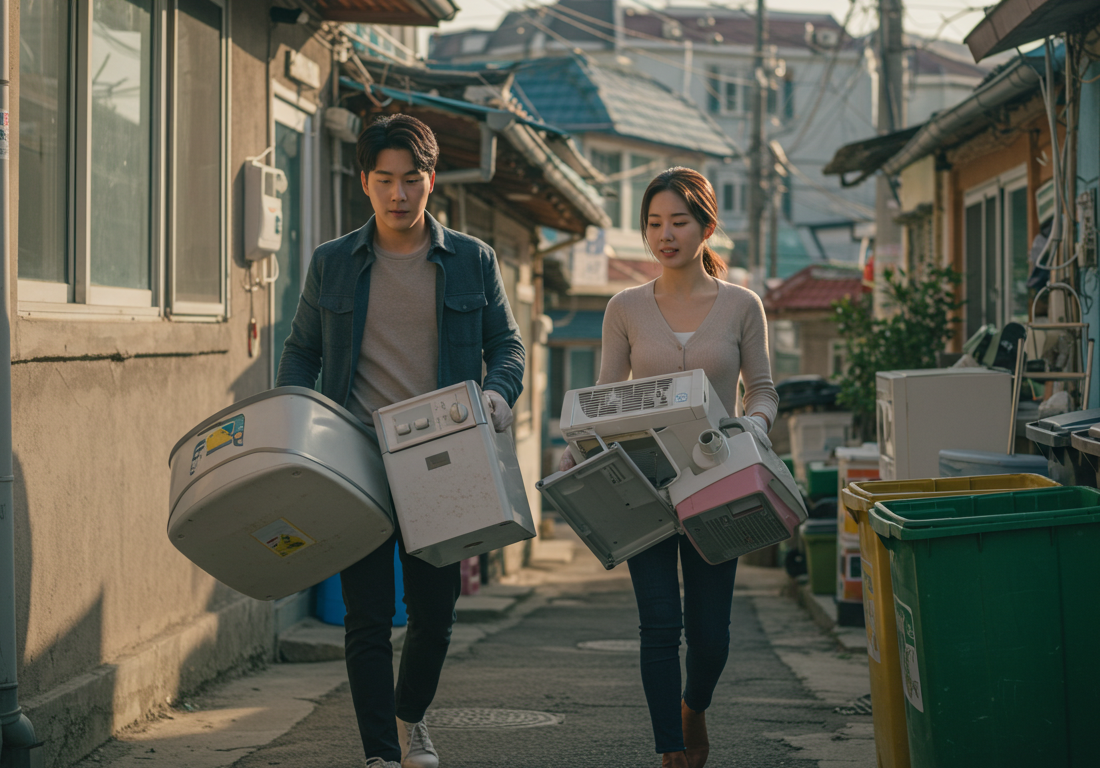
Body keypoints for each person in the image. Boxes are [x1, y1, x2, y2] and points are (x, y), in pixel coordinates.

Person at [276, 114, 525, 768]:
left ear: (431, 181)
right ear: (364, 181)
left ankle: (410, 716)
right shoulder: (331, 263)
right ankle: (382, 755)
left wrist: (497, 394)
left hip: (443, 457)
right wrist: (297, 425)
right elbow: (300, 352)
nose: (398, 193)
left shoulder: (472, 260)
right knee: (366, 618)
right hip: (357, 458)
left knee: (435, 617)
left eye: (411, 179)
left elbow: (508, 346)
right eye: (384, 179)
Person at [558, 167, 777, 768]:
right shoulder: (624, 307)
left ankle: (693, 706)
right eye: (654, 223)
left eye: (678, 222)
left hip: (719, 485)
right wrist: (578, 445)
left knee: (710, 636)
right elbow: (604, 396)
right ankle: (670, 751)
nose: (665, 235)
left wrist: (753, 427)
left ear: (706, 227)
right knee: (658, 625)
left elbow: (761, 389)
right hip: (643, 486)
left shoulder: (742, 305)